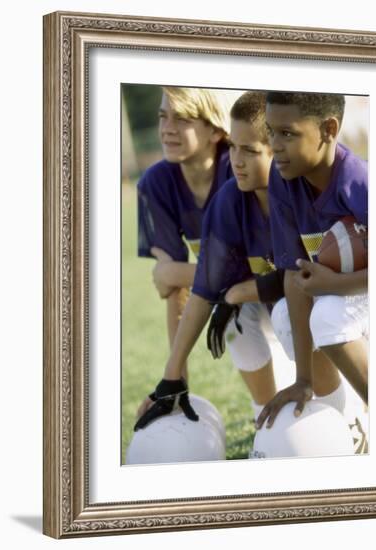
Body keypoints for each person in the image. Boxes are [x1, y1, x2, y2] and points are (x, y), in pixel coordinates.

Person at [134, 91, 345, 431]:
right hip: (276, 299)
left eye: (249, 150)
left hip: (340, 299)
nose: (237, 160)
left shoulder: (302, 188)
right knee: (234, 319)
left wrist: (238, 290)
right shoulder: (229, 200)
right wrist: (172, 378)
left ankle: (343, 416)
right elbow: (202, 289)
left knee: (289, 313)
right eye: (234, 148)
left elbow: (299, 275)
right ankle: (265, 417)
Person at [256, 91, 368, 435]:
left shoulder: (360, 183)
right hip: (350, 293)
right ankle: (347, 426)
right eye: (270, 131)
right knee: (285, 319)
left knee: (327, 316)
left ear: (328, 129)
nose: (275, 145)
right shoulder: (283, 179)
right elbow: (293, 274)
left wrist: (333, 285)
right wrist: (302, 378)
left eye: (287, 133)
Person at [137, 87, 235, 415]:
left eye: (183, 119)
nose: (167, 128)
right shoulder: (157, 182)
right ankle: (262, 411)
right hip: (237, 293)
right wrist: (175, 382)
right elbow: (172, 288)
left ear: (215, 129)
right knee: (234, 319)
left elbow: (256, 268)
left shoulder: (239, 168)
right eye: (164, 116)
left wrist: (176, 272)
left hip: (280, 288)